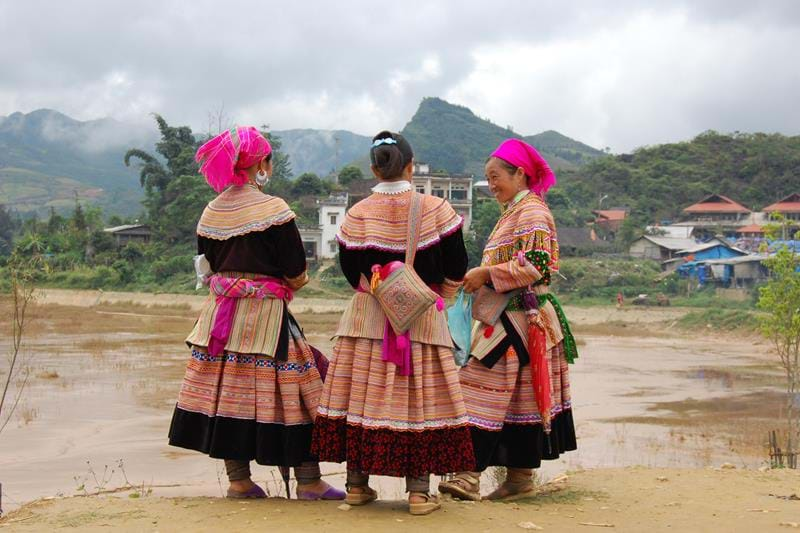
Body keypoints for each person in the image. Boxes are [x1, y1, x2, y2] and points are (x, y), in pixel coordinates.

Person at [168, 126, 344, 501]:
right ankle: (309, 481)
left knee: (226, 391)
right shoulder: (273, 209)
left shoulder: (211, 211)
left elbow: (206, 265)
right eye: (269, 161)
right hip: (266, 314)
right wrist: (284, 285)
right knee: (299, 388)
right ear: (262, 163)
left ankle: (239, 481)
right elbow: (296, 270)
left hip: (219, 315)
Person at [311, 131, 475, 515]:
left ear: (374, 168)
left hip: (367, 316)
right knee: (419, 400)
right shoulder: (437, 210)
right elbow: (456, 266)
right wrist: (440, 297)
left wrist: (379, 292)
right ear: (411, 166)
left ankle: (356, 486)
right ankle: (418, 493)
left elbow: (351, 271)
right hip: (420, 316)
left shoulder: (357, 213)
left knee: (361, 396)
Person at [439, 138, 578, 501]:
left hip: (515, 319)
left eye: (496, 176)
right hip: (509, 317)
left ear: (520, 174)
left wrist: (486, 273)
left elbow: (537, 266)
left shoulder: (531, 212)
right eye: (488, 178)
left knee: (475, 388)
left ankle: (468, 475)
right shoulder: (515, 212)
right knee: (518, 400)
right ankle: (518, 480)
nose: (492, 184)